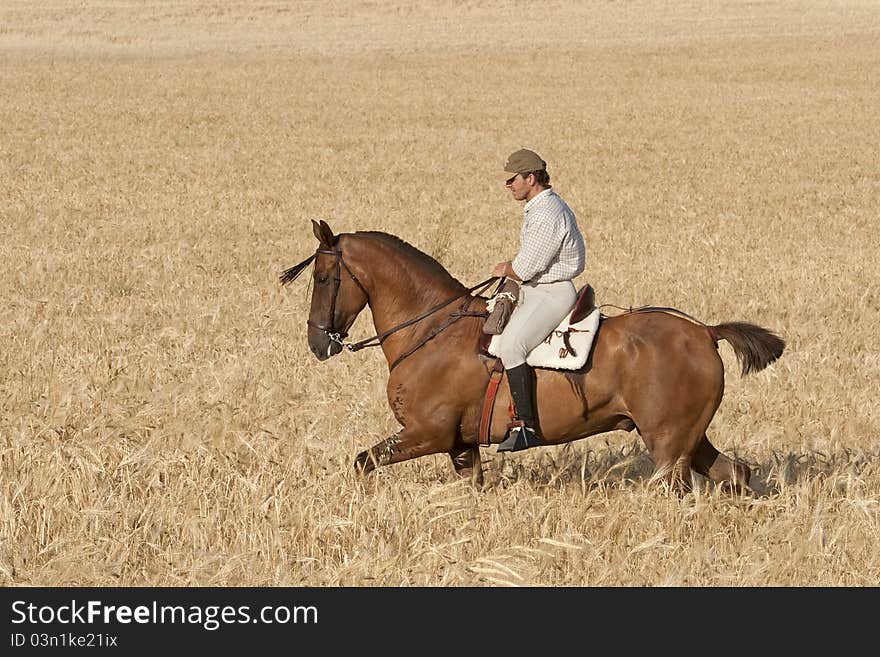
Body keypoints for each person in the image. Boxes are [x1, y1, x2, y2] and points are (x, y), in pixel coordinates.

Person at [491, 148, 586, 452]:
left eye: (512, 179)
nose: (509, 185)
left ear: (530, 178)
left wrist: (508, 268)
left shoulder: (547, 212)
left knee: (511, 345)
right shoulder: (539, 206)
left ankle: (526, 426)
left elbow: (527, 267)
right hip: (537, 290)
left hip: (551, 292)